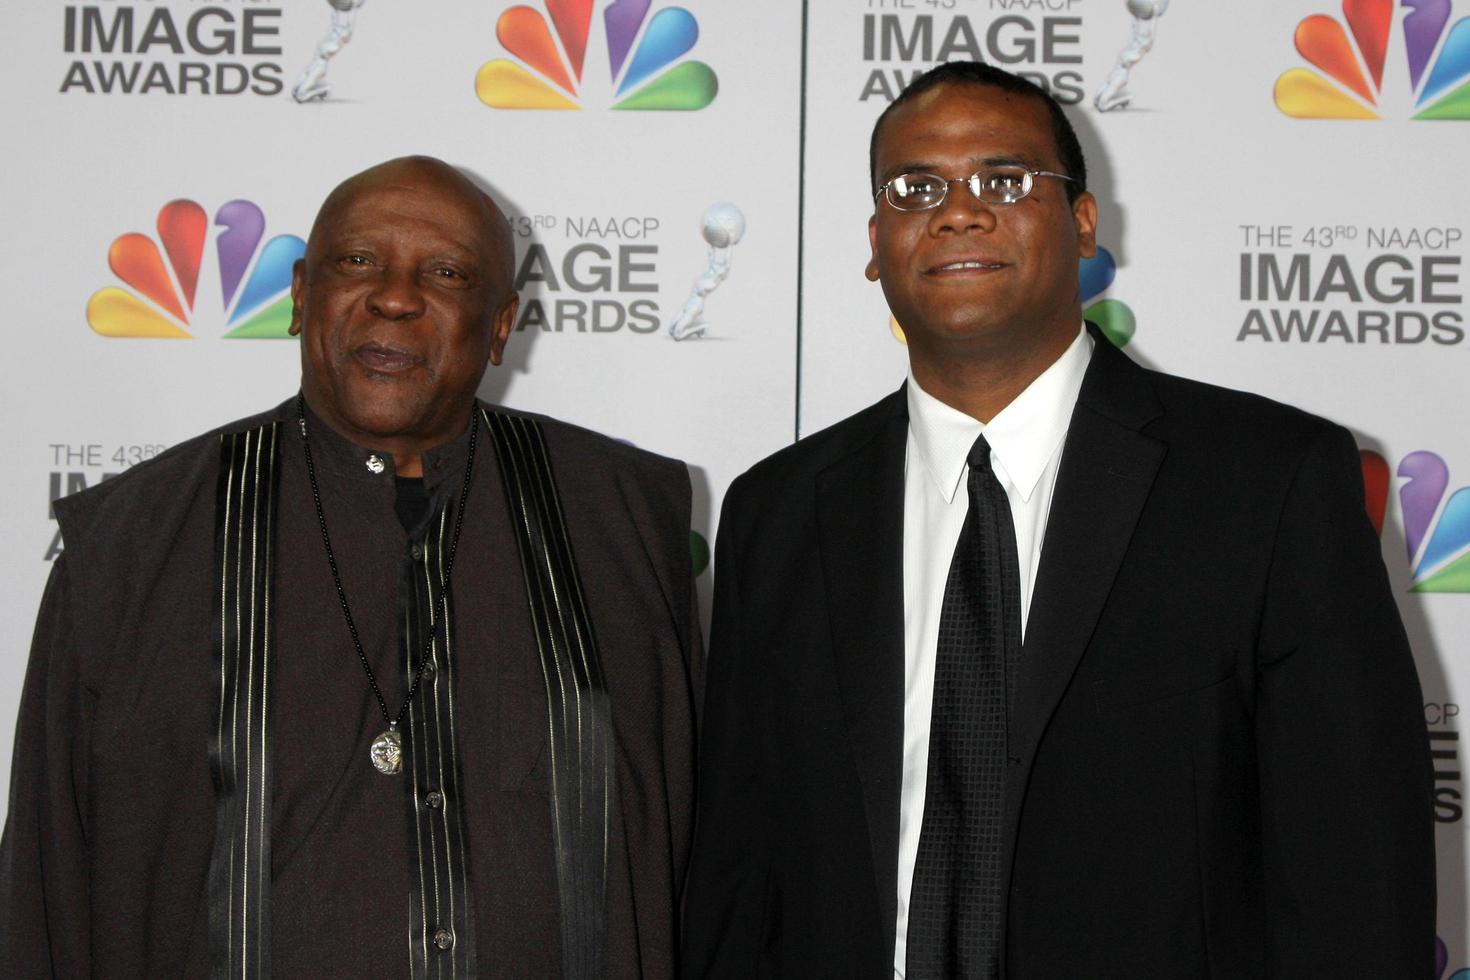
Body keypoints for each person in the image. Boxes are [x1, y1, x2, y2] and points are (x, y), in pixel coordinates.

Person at [682, 62, 1434, 978]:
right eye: (916, 188)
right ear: (877, 241)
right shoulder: (780, 511)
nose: (958, 210)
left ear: (1082, 222)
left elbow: (1355, 878)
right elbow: (735, 874)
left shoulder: (1268, 482)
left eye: (1003, 180)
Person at [1, 156, 701, 978]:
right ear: (301, 295)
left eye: (445, 272)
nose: (396, 295)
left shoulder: (620, 521)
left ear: (503, 322)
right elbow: (43, 896)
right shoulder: (132, 544)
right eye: (358, 261)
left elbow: (696, 861)